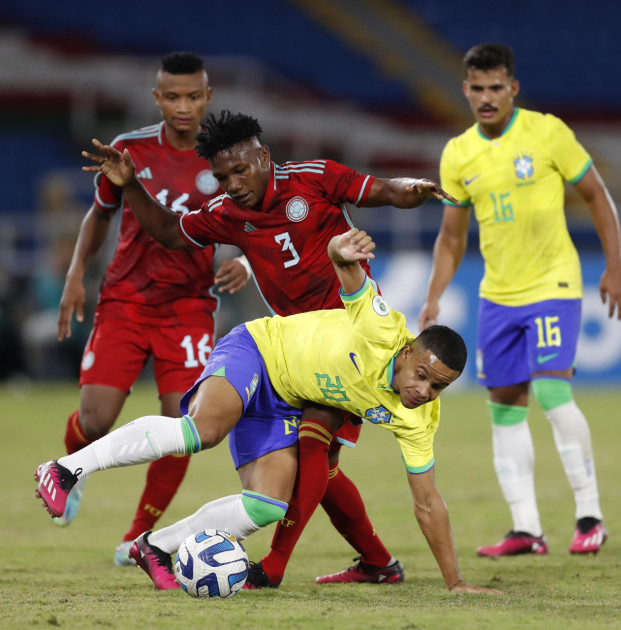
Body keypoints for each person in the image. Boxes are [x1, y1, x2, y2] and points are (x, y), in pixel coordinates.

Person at [80, 109, 456, 588]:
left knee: (313, 445)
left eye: (240, 170)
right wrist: (132, 186)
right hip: (291, 351)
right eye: (221, 177)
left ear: (264, 155)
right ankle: (379, 563)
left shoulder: (315, 179)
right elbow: (173, 233)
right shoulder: (227, 212)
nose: (233, 183)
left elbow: (385, 189)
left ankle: (276, 568)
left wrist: (414, 189)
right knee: (322, 469)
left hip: (351, 341)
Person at [35, 228, 500, 595]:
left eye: (438, 387)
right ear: (405, 353)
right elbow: (347, 269)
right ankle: (65, 469)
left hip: (286, 401)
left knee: (266, 505)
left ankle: (153, 546)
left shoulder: (419, 417)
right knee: (204, 431)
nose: (424, 390)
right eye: (421, 374)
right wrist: (342, 247)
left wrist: (455, 582)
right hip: (258, 349)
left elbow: (427, 502)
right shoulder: (382, 328)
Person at [419, 43, 621, 557]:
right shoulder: (458, 154)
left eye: (497, 88)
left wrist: (615, 265)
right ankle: (526, 528)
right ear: (465, 90)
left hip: (553, 284)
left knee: (554, 395)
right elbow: (452, 237)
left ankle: (590, 516)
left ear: (513, 88)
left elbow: (596, 194)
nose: (487, 98)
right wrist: (433, 298)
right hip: (498, 296)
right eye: (478, 89)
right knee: (505, 410)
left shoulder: (547, 132)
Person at [53, 52, 250, 566]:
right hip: (125, 301)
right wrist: (76, 274)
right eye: (172, 96)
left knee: (181, 424)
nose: (183, 106)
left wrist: (245, 260)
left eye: (193, 96)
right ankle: (74, 467)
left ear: (208, 97)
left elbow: (260, 217)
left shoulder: (225, 158)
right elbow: (99, 215)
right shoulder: (128, 150)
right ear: (157, 98)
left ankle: (138, 534)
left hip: (190, 307)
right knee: (96, 420)